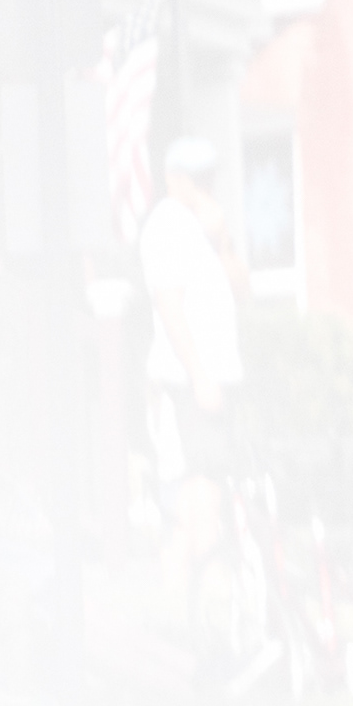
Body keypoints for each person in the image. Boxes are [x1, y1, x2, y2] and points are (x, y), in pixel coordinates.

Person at [137, 132, 248, 485]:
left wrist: (222, 242)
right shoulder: (166, 225)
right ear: (172, 178)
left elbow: (243, 291)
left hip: (221, 378)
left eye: (209, 175)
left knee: (219, 486)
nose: (205, 185)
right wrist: (199, 377)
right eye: (196, 177)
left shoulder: (209, 226)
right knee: (198, 488)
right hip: (184, 384)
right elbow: (169, 306)